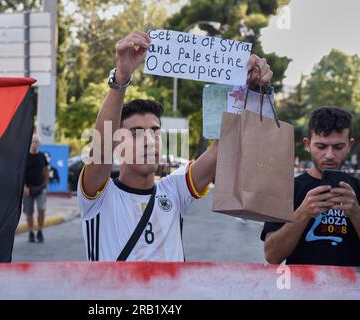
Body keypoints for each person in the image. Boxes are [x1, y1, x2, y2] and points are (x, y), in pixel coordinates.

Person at [78, 31, 273, 261]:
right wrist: (121, 79)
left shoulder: (174, 190)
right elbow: (100, 148)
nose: (149, 141)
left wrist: (252, 90)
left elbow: (225, 145)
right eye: (136, 133)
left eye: (155, 131)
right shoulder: (98, 195)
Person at [261, 107, 360, 266]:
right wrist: (303, 213)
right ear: (307, 144)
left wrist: (356, 213)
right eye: (321, 146)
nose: (329, 155)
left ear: (350, 145)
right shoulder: (287, 188)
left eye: (338, 147)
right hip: (301, 289)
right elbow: (272, 255)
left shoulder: (357, 188)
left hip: (352, 289)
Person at [23, 135, 50, 243]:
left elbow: (46, 170)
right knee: (29, 212)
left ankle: (40, 231)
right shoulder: (24, 156)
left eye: (36, 142)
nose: (35, 144)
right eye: (33, 141)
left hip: (41, 187)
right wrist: (24, 187)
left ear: (39, 144)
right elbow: (20, 174)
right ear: (30, 143)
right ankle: (30, 232)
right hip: (28, 189)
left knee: (41, 209)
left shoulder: (42, 156)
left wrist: (46, 184)